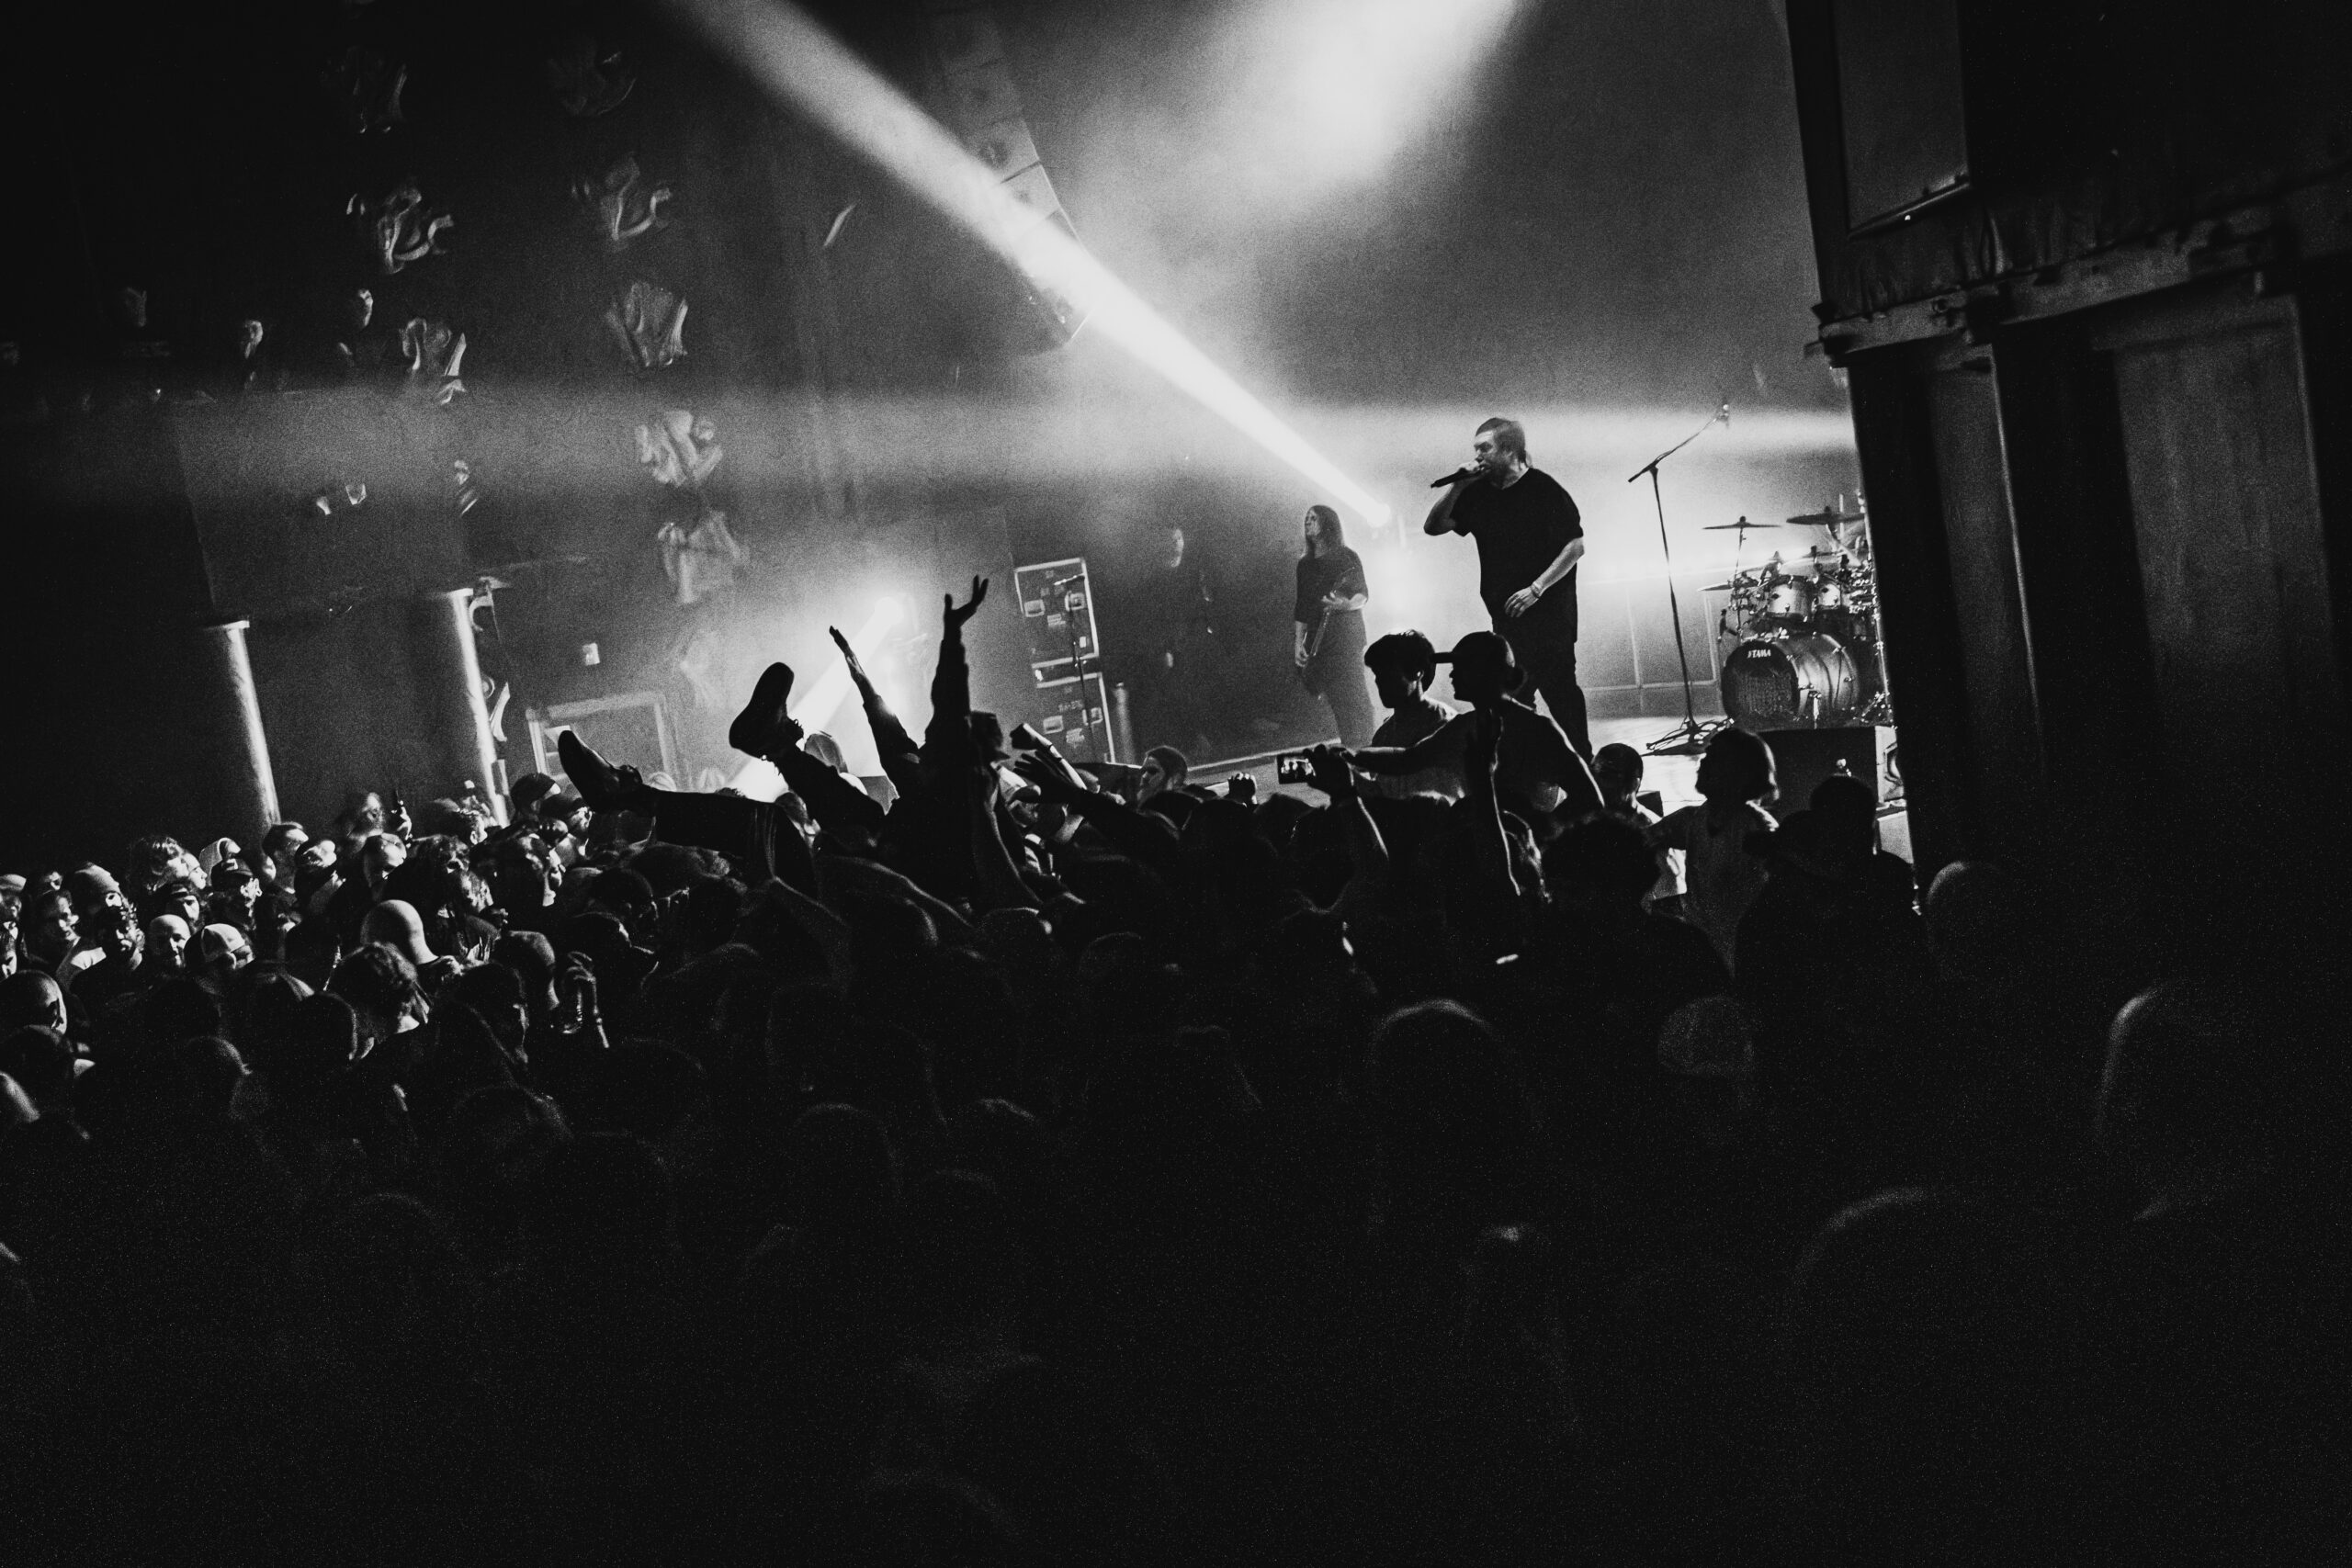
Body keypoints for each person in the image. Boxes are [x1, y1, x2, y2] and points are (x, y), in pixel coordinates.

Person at [1424, 415, 1591, 757]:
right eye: (1475, 449)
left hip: (1550, 617)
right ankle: (1528, 772)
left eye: (1485, 448)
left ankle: (1584, 766)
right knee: (1513, 700)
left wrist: (1536, 589)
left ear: (1509, 450)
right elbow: (1434, 526)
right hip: (1506, 619)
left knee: (1561, 694)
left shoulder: (1543, 489)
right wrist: (1458, 487)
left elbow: (1575, 546)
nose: (1478, 455)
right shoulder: (1478, 494)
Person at [1348, 631, 1600, 824]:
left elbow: (1590, 798)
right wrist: (1350, 756)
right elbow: (1408, 759)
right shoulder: (1466, 725)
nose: (1452, 675)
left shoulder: (1536, 729)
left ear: (1487, 672)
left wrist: (1542, 830)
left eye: (1461, 667)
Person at [1647, 727, 1777, 968]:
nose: (1702, 763)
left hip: (1743, 958)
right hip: (1705, 955)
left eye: (1714, 758)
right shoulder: (1697, 819)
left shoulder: (1758, 831)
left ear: (1738, 771)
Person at [1293, 504, 1374, 748]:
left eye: (1314, 518)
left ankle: (1367, 747)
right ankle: (1351, 745)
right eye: (1307, 518)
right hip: (1319, 638)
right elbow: (1302, 605)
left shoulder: (1346, 556)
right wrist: (1298, 642)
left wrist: (1345, 605)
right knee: (1336, 698)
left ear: (1327, 523)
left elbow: (1362, 594)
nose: (1308, 522)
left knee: (1355, 695)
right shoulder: (1305, 564)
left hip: (1345, 636)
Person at [1358, 630, 1461, 800]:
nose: (1379, 681)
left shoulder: (1444, 724)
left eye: (1388, 673)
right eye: (1377, 673)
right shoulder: (1383, 735)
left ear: (1417, 672)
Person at [1593, 742, 1682, 911]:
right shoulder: (1595, 820)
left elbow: (1666, 897)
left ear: (1633, 784)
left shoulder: (1651, 832)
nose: (1595, 782)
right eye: (1592, 773)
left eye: (1606, 776)